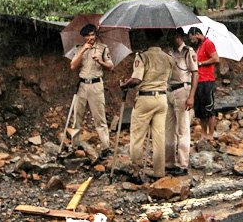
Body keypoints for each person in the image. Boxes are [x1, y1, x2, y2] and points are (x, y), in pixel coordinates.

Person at [120, 28, 174, 184]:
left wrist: (124, 85)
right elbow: (169, 78)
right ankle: (159, 172)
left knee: (137, 137)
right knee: (159, 137)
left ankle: (136, 172)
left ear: (147, 39)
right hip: (162, 99)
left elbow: (136, 79)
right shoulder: (168, 58)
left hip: (145, 98)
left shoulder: (142, 57)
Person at [68, 23, 113, 157]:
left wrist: (100, 61)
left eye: (93, 34)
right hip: (82, 85)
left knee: (100, 118)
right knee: (77, 117)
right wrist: (82, 51)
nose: (90, 37)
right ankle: (74, 145)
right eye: (88, 35)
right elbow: (72, 67)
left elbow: (110, 67)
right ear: (83, 37)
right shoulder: (78, 49)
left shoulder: (103, 48)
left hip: (96, 85)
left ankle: (106, 147)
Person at [165, 28, 198, 177]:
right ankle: (169, 162)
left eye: (172, 35)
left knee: (183, 128)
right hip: (169, 90)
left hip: (182, 90)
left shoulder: (187, 52)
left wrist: (191, 96)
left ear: (177, 36)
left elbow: (195, 74)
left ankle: (182, 163)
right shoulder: (169, 53)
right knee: (169, 128)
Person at [188, 27, 219, 141]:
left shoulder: (208, 43)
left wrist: (200, 63)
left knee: (209, 109)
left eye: (192, 39)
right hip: (198, 81)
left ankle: (210, 134)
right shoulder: (199, 47)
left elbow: (216, 59)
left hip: (207, 80)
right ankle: (203, 134)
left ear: (197, 34)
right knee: (200, 111)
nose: (192, 41)